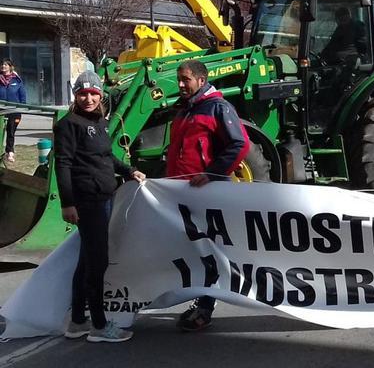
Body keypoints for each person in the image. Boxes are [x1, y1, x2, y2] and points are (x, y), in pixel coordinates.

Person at [55, 71, 146, 343]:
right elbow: (63, 165)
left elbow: (107, 157)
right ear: (75, 96)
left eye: (93, 93)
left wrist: (129, 170)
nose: (88, 98)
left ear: (100, 94)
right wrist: (68, 203)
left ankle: (77, 322)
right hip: (88, 201)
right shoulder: (68, 124)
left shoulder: (100, 122)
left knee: (86, 261)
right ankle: (98, 325)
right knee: (98, 262)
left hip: (104, 198)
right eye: (83, 93)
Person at [168, 59, 249, 331]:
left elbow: (239, 144)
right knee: (191, 250)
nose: (180, 84)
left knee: (208, 252)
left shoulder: (218, 108)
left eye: (185, 79)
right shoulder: (185, 110)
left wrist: (212, 173)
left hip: (207, 195)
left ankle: (205, 306)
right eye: (179, 79)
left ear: (201, 80)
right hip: (183, 193)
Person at [0, 59, 26, 163]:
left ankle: (10, 152)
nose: (3, 66)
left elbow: (22, 95)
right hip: (1, 110)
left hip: (14, 110)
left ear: (11, 67)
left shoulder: (17, 80)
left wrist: (22, 106)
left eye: (6, 64)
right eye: (2, 64)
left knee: (11, 131)